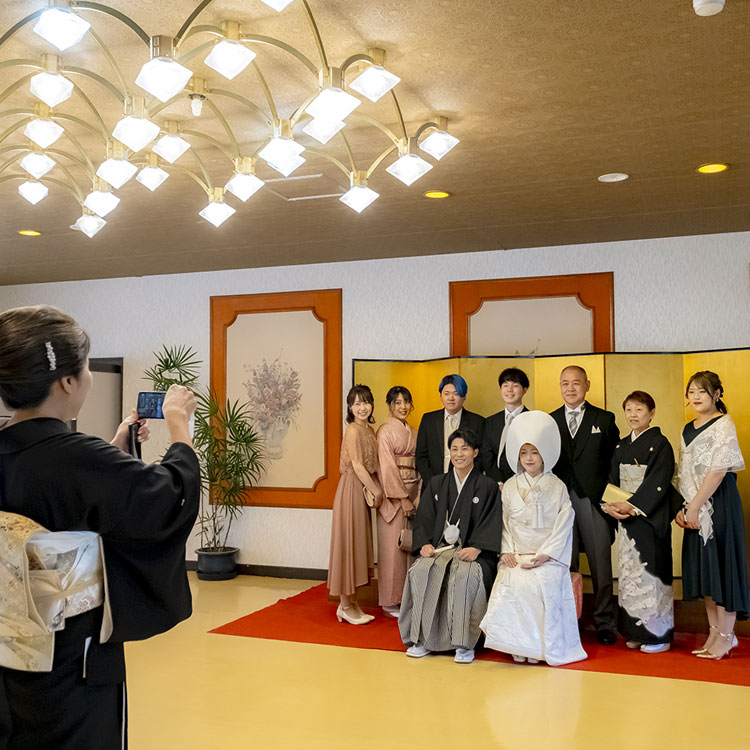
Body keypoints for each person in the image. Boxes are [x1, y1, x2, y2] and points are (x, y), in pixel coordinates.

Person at [0, 305, 200, 750]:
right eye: (85, 368)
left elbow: (70, 490)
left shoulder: (63, 455)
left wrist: (117, 446)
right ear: (67, 381)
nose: (88, 377)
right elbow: (166, 498)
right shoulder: (78, 456)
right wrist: (179, 428)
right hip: (69, 656)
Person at [481, 410, 586, 665]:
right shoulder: (509, 486)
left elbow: (564, 523)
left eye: (535, 452)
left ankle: (539, 647)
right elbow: (504, 522)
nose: (529, 458)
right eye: (524, 453)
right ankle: (518, 645)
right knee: (513, 580)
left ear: (545, 455)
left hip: (546, 556)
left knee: (542, 583)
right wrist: (506, 551)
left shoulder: (557, 486)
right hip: (517, 554)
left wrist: (546, 555)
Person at [399, 428, 502, 664]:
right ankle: (421, 638)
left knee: (465, 575)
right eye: (454, 449)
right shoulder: (437, 483)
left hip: (472, 551)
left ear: (475, 452)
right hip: (439, 549)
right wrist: (424, 543)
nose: (459, 453)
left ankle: (464, 643)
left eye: (465, 448)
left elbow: (492, 521)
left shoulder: (486, 485)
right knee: (421, 570)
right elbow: (424, 517)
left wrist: (477, 548)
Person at [675, 371, 748, 660]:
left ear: (717, 394)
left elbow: (719, 469)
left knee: (723, 565)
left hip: (718, 502)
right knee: (707, 572)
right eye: (691, 391)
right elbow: (683, 472)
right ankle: (714, 633)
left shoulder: (723, 424)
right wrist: (685, 506)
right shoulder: (686, 428)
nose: (695, 397)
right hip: (694, 502)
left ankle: (728, 637)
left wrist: (695, 505)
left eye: (702, 392)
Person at [602, 391, 677, 653]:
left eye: (640, 410)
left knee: (651, 574)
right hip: (626, 518)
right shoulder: (622, 446)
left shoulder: (661, 444)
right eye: (629, 410)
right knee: (630, 575)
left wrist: (632, 506)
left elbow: (658, 483)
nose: (633, 415)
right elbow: (613, 480)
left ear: (652, 413)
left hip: (649, 518)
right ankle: (634, 631)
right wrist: (611, 506)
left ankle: (659, 636)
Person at [550, 365, 620, 645]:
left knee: (600, 564)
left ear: (587, 385)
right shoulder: (550, 419)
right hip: (561, 503)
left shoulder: (603, 419)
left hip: (594, 501)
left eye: (576, 383)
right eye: (565, 383)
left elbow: (615, 464)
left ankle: (604, 623)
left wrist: (610, 501)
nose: (570, 388)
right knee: (564, 565)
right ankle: (568, 620)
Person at [327, 384, 382, 625]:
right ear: (350, 407)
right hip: (352, 488)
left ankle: (353, 602)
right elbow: (358, 465)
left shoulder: (369, 430)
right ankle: (344, 605)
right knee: (348, 544)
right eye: (357, 403)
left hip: (362, 488)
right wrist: (376, 490)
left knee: (359, 545)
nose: (362, 407)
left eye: (366, 402)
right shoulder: (352, 430)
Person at [376, 386, 420, 617]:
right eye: (397, 402)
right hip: (393, 497)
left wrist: (418, 495)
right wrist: (403, 499)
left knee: (409, 548)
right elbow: (387, 468)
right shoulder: (385, 432)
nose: (403, 407)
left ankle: (406, 597)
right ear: (390, 406)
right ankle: (389, 600)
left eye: (406, 402)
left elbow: (420, 464)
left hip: (414, 490)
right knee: (392, 548)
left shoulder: (413, 430)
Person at [415, 374, 485, 488]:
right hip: (433, 484)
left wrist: (466, 481)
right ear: (441, 396)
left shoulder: (478, 422)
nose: (451, 398)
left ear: (464, 396)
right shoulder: (428, 419)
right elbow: (421, 455)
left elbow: (480, 457)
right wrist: (433, 482)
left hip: (466, 485)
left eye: (456, 393)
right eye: (446, 394)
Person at [481, 367, 530, 489]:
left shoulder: (532, 420)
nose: (509, 390)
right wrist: (498, 481)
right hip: (497, 486)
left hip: (525, 484)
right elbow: (487, 455)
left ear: (525, 390)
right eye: (505, 385)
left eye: (515, 385)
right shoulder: (491, 421)